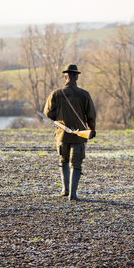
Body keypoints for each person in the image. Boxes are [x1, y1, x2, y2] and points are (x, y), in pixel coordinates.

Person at [43, 64, 97, 201]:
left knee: (63, 160)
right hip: (79, 136)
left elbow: (48, 113)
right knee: (76, 163)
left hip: (62, 135)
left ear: (65, 77)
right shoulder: (84, 94)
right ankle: (73, 195)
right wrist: (91, 130)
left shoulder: (56, 94)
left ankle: (64, 190)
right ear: (76, 77)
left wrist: (59, 120)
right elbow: (91, 116)